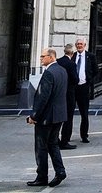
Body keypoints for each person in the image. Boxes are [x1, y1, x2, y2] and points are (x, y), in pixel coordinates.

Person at [26, 48, 68, 187]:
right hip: (59, 115)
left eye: (42, 56)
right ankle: (60, 171)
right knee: (53, 144)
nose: (40, 59)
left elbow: (43, 97)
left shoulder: (49, 73)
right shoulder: (62, 70)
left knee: (41, 147)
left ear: (51, 57)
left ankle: (42, 176)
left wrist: (34, 116)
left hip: (47, 117)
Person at [72, 37, 98, 143]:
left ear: (85, 45)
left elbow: (96, 70)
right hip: (73, 88)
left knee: (84, 113)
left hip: (84, 87)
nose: (79, 46)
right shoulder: (72, 56)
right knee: (69, 113)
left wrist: (89, 81)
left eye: (81, 44)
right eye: (77, 44)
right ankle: (66, 136)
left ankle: (84, 135)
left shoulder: (90, 56)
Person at [57, 43, 79, 149]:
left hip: (58, 94)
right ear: (72, 53)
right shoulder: (71, 64)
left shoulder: (58, 62)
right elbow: (75, 79)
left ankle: (55, 139)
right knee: (68, 118)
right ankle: (65, 141)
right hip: (69, 94)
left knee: (57, 118)